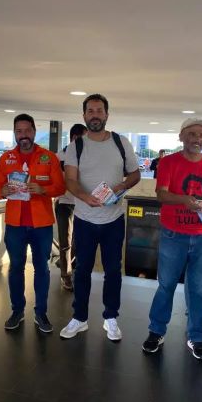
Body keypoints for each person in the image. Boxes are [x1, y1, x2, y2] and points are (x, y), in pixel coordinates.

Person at [141, 118, 202, 360]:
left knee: (199, 289)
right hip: (173, 235)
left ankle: (197, 337)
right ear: (181, 137)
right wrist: (184, 200)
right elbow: (161, 194)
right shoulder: (169, 163)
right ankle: (156, 331)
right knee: (166, 285)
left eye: (201, 135)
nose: (197, 139)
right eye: (192, 134)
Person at [60, 93, 141, 341]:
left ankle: (111, 318)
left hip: (113, 220)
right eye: (90, 111)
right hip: (84, 220)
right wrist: (85, 197)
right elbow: (70, 180)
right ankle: (79, 318)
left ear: (106, 114)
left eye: (99, 111)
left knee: (113, 270)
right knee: (82, 269)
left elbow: (135, 174)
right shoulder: (76, 147)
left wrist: (121, 186)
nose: (95, 115)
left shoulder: (121, 142)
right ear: (84, 115)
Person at [0, 114, 65, 333]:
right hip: (15, 224)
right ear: (15, 133)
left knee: (42, 268)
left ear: (34, 131)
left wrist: (43, 189)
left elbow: (60, 187)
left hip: (41, 224)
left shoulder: (48, 158)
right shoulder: (6, 158)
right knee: (16, 267)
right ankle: (17, 311)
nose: (23, 135)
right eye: (19, 131)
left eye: (27, 130)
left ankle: (41, 313)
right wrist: (3, 191)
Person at [55, 123, 87, 291]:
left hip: (83, 204)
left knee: (79, 241)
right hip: (65, 203)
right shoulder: (60, 157)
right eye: (85, 137)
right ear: (75, 137)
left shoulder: (87, 156)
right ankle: (66, 275)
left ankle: (65, 262)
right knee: (65, 241)